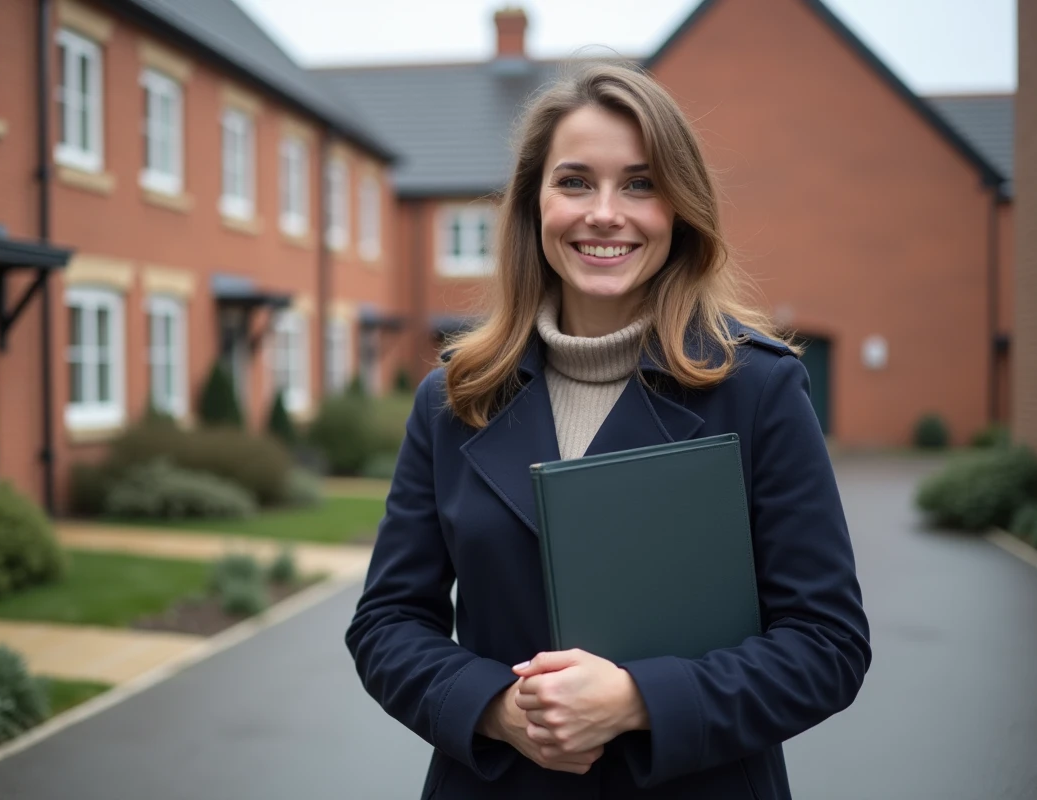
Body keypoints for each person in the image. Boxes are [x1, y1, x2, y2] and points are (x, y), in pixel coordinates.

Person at [345, 61, 870, 799]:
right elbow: (388, 624)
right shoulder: (452, 399)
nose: (604, 212)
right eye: (575, 181)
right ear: (533, 206)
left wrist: (637, 701)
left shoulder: (758, 390)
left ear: (680, 209)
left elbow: (827, 645)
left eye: (640, 183)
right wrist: (497, 710)